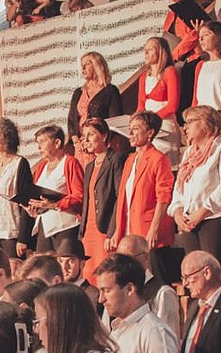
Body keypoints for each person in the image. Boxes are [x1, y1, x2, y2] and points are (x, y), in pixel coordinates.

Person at [168, 105, 221, 276]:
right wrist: (178, 213)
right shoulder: (189, 153)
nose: (185, 128)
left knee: (213, 273)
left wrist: (201, 213)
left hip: (218, 218)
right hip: (190, 220)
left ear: (206, 124)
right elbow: (180, 187)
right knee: (195, 274)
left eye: (189, 122)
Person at [113, 112, 175, 272]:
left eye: (135, 129)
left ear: (150, 133)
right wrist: (117, 230)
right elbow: (123, 197)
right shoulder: (130, 160)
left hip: (148, 231)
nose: (130, 133)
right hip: (129, 229)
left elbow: (164, 196)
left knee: (154, 276)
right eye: (130, 128)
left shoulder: (159, 159)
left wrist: (154, 228)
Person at [76, 117, 128, 281]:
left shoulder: (116, 159)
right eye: (84, 136)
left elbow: (120, 197)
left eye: (91, 134)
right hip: (88, 230)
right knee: (88, 274)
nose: (86, 140)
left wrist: (113, 231)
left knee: (104, 274)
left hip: (104, 229)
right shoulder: (90, 166)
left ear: (104, 136)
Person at [0, 118, 33, 260]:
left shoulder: (19, 163)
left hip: (11, 233)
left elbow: (27, 202)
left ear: (7, 137)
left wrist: (23, 238)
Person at [28, 125, 85, 254]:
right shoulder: (41, 167)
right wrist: (33, 208)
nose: (39, 147)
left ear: (57, 143)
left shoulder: (70, 162)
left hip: (65, 226)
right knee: (43, 264)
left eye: (42, 142)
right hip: (44, 226)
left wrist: (55, 204)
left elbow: (79, 196)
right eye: (37, 143)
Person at [134, 36, 183, 158]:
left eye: (150, 49)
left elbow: (172, 106)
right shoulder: (143, 77)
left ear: (161, 51)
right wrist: (134, 121)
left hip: (164, 126)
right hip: (147, 128)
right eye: (145, 50)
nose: (146, 53)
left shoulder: (169, 72)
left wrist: (151, 120)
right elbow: (141, 106)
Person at [66, 52, 118, 141]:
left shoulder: (111, 91)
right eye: (82, 66)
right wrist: (76, 141)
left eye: (87, 64)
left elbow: (114, 121)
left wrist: (103, 141)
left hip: (100, 142)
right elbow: (71, 120)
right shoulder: (78, 92)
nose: (83, 69)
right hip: (79, 143)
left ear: (97, 66)